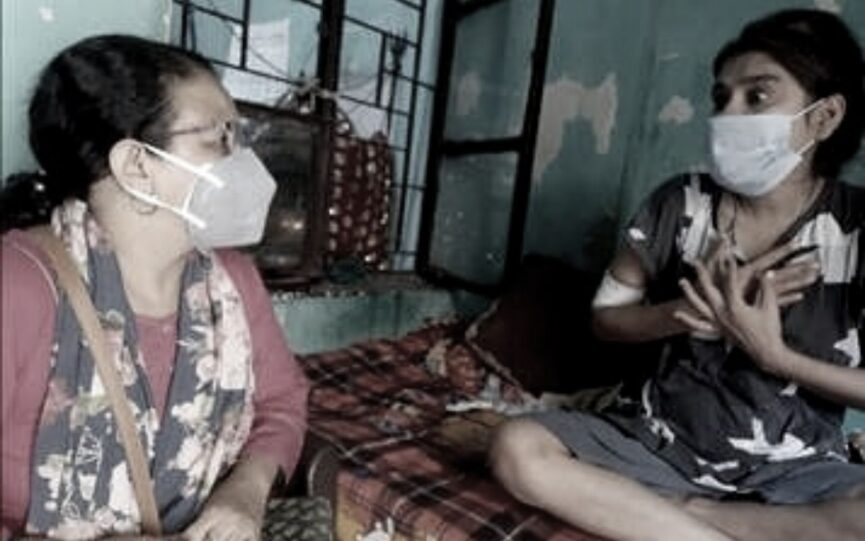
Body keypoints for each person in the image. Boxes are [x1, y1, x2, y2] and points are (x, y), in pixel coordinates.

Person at [489, 9, 865, 541]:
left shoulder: (857, 227)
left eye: (757, 96)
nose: (728, 115)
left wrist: (774, 356)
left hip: (798, 470)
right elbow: (605, 320)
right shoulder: (680, 203)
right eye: (721, 98)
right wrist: (685, 313)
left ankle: (681, 514)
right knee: (516, 449)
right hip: (658, 443)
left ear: (824, 117)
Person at [0, 35, 309, 540]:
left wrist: (246, 491)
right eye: (218, 138)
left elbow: (283, 402)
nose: (243, 161)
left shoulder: (234, 282)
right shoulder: (18, 287)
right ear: (137, 167)